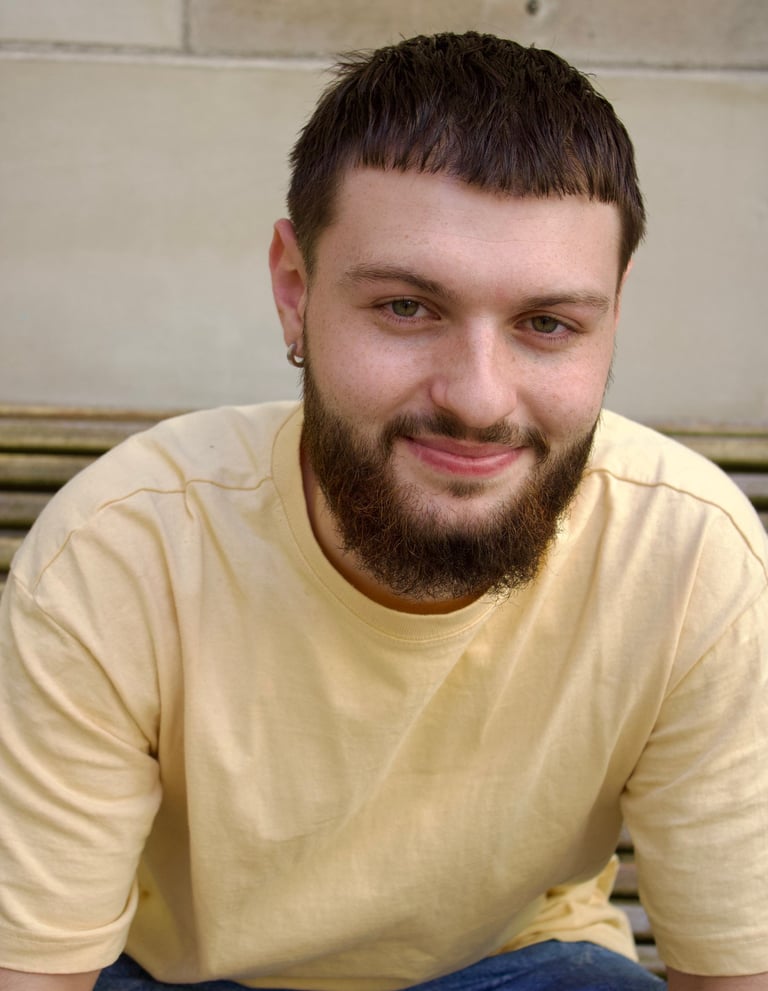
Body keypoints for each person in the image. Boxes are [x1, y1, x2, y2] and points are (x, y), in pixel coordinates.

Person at [0, 30, 766, 991]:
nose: (478, 397)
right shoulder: (123, 549)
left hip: (513, 969)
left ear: (613, 312)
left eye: (547, 324)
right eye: (407, 307)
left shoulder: (688, 555)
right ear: (296, 290)